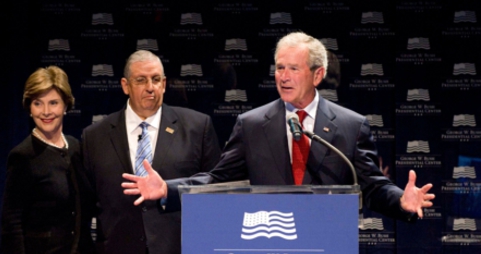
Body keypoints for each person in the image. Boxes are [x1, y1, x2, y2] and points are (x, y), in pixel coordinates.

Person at [122, 32, 435, 220]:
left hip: (324, 253)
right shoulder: (252, 124)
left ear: (317, 74)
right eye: (279, 68)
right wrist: (168, 189)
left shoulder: (351, 127)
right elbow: (216, 181)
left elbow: (373, 186)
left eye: (293, 69)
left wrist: (402, 202)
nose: (283, 76)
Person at [81, 50, 221, 254]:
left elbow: (216, 188)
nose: (150, 87)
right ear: (124, 85)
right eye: (141, 80)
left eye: (156, 79)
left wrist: (171, 190)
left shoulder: (197, 127)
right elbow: (86, 203)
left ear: (165, 83)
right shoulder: (94, 136)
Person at [0, 66, 94, 254]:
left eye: (53, 102)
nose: (46, 111)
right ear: (29, 108)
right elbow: (11, 220)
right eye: (37, 103)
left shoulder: (77, 148)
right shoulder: (23, 155)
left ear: (66, 104)